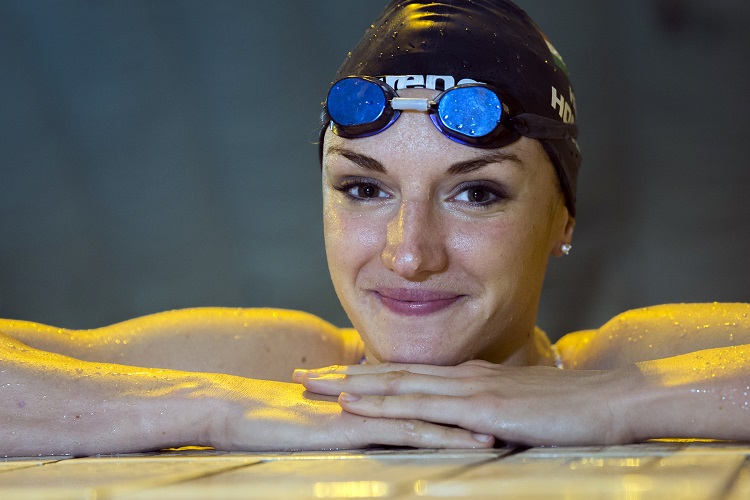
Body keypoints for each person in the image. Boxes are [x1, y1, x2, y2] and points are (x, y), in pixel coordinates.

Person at [1, 0, 748, 457]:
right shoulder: (282, 371)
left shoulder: (619, 365)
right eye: (364, 188)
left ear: (561, 219)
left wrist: (612, 402)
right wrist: (215, 410)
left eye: (477, 194)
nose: (409, 253)